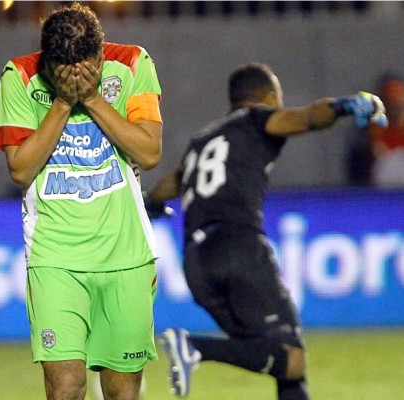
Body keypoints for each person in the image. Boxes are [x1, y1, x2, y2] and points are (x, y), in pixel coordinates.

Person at [145, 62, 387, 399]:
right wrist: (345, 105)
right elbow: (307, 118)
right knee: (292, 359)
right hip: (237, 247)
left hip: (197, 263)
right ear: (267, 96)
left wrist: (150, 202)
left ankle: (197, 347)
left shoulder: (204, 139)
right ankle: (195, 347)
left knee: (274, 357)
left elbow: (176, 179)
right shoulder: (257, 119)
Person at [0, 3, 163, 400]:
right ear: (46, 63)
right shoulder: (18, 76)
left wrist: (92, 98)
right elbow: (20, 169)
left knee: (122, 392)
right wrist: (64, 103)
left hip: (126, 257)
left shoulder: (134, 63)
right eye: (60, 73)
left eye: (86, 68)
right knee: (66, 386)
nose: (73, 78)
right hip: (55, 258)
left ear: (101, 54)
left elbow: (150, 153)